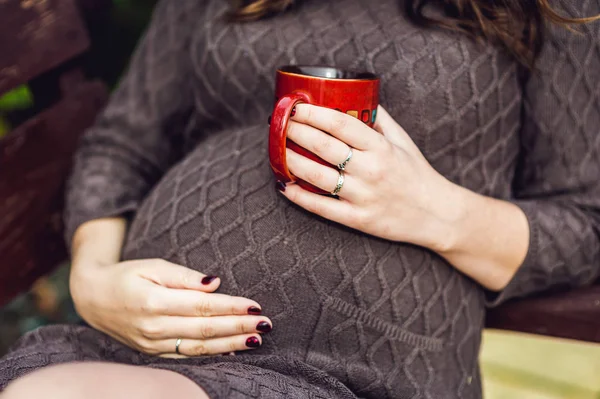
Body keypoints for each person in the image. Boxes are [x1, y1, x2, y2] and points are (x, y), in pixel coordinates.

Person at [1, 0, 599, 398]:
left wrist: (435, 211)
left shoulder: (550, 8)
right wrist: (94, 280)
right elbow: (123, 142)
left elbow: (586, 222)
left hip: (358, 369)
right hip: (138, 341)